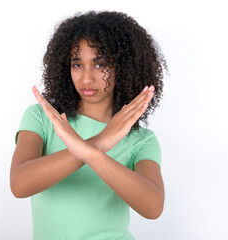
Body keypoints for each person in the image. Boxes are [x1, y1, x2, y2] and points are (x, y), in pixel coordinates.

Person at [10, 10, 167, 240]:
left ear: (123, 67)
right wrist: (100, 142)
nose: (86, 78)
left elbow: (153, 207)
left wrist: (90, 153)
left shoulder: (141, 140)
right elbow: (19, 184)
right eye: (77, 64)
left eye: (100, 64)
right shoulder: (44, 118)